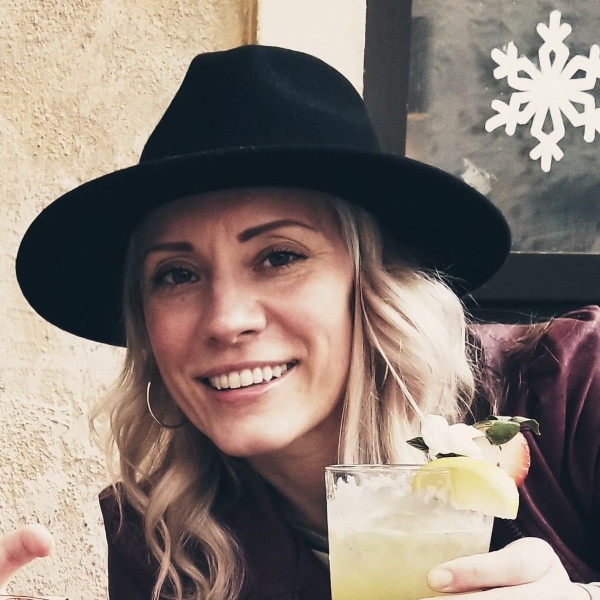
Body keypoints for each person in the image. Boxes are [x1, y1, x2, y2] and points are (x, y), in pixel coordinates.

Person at [8, 44, 600, 599]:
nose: (226, 320)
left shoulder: (573, 391)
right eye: (177, 274)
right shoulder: (158, 542)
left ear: (374, 282)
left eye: (279, 257)